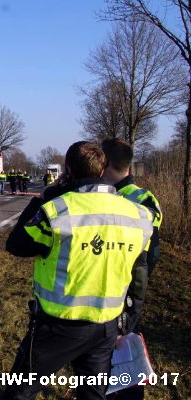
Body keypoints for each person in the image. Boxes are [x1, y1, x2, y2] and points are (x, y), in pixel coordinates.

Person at [4, 141, 154, 400]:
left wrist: (41, 199)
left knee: (20, 391)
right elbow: (141, 266)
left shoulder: (57, 210)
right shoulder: (138, 215)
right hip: (106, 325)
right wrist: (133, 311)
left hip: (59, 326)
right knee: (93, 394)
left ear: (68, 171)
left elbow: (16, 244)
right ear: (103, 168)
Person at [101, 138, 162, 400]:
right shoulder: (145, 198)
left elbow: (149, 257)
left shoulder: (133, 200)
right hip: (123, 289)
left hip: (123, 291)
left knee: (120, 351)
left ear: (105, 164)